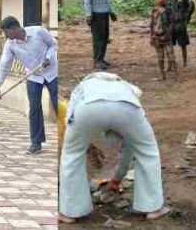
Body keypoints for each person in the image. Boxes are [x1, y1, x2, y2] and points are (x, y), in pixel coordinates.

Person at [58, 72, 169, 223]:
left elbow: (70, 119)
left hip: (87, 108)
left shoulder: (82, 87)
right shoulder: (127, 88)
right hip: (127, 107)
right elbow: (130, 147)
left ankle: (70, 212)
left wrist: (78, 142)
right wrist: (117, 178)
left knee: (72, 154)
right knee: (147, 151)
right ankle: (153, 208)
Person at [0, 16, 59, 154]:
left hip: (52, 72)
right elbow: (4, 66)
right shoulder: (10, 45)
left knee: (58, 104)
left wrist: (48, 57)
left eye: (6, 32)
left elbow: (53, 44)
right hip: (33, 76)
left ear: (14, 28)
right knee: (34, 108)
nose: (5, 36)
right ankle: (36, 142)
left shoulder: (38, 32)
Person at [164, 0, 194, 68]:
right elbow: (166, 9)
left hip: (180, 24)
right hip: (170, 25)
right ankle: (170, 65)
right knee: (169, 45)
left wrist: (186, 20)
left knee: (183, 44)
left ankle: (184, 63)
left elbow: (190, 8)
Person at [148, 0, 177, 80]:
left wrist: (168, 34)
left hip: (167, 37)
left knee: (171, 56)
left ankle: (175, 75)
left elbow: (172, 23)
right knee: (160, 58)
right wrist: (151, 36)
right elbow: (152, 24)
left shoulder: (169, 10)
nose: (160, 0)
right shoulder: (154, 10)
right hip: (157, 37)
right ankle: (162, 75)